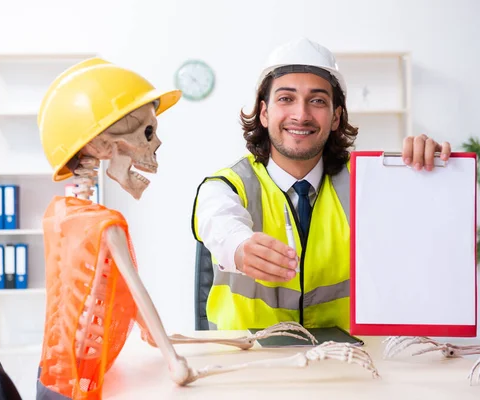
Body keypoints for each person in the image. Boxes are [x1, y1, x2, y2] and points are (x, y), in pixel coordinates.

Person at [191, 37, 451, 331]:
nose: (301, 114)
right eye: (286, 98)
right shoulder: (225, 187)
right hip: (248, 366)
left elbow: (427, 240)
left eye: (317, 101)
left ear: (336, 117)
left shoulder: (370, 182)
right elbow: (219, 222)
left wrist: (430, 178)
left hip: (349, 364)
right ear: (264, 113)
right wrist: (240, 247)